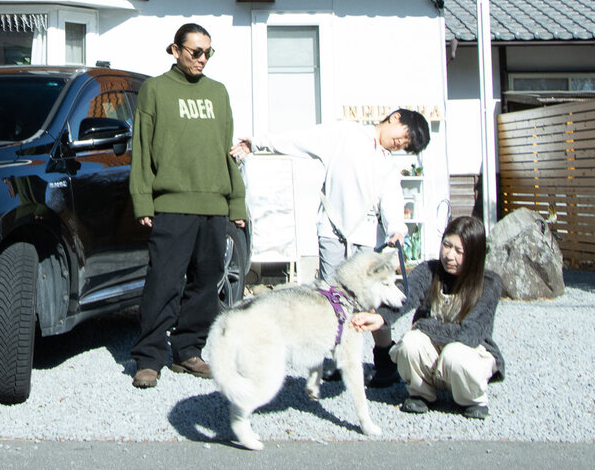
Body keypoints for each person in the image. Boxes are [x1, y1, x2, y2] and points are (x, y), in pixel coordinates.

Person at [230, 108, 430, 385]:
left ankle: (384, 361)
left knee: (368, 303)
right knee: (331, 301)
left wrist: (397, 228)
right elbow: (301, 140)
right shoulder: (346, 133)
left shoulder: (387, 165)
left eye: (406, 146)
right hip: (332, 231)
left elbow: (391, 199)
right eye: (404, 137)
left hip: (364, 237)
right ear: (395, 118)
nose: (400, 144)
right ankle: (335, 360)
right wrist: (259, 142)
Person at [129, 23, 248, 389]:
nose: (202, 59)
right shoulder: (155, 90)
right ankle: (149, 359)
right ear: (175, 50)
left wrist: (237, 202)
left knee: (206, 283)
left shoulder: (218, 93)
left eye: (208, 52)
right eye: (195, 52)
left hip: (213, 204)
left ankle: (188, 351)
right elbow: (142, 149)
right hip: (173, 203)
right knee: (163, 282)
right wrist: (143, 199)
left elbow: (226, 151)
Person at [351, 215, 504, 419]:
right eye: (447, 245)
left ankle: (473, 399)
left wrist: (423, 325)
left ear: (474, 255)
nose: (450, 255)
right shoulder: (429, 271)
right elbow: (407, 295)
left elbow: (469, 335)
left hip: (468, 354)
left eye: (459, 251)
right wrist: (380, 317)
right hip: (435, 354)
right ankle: (421, 394)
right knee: (410, 343)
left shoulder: (489, 284)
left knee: (454, 354)